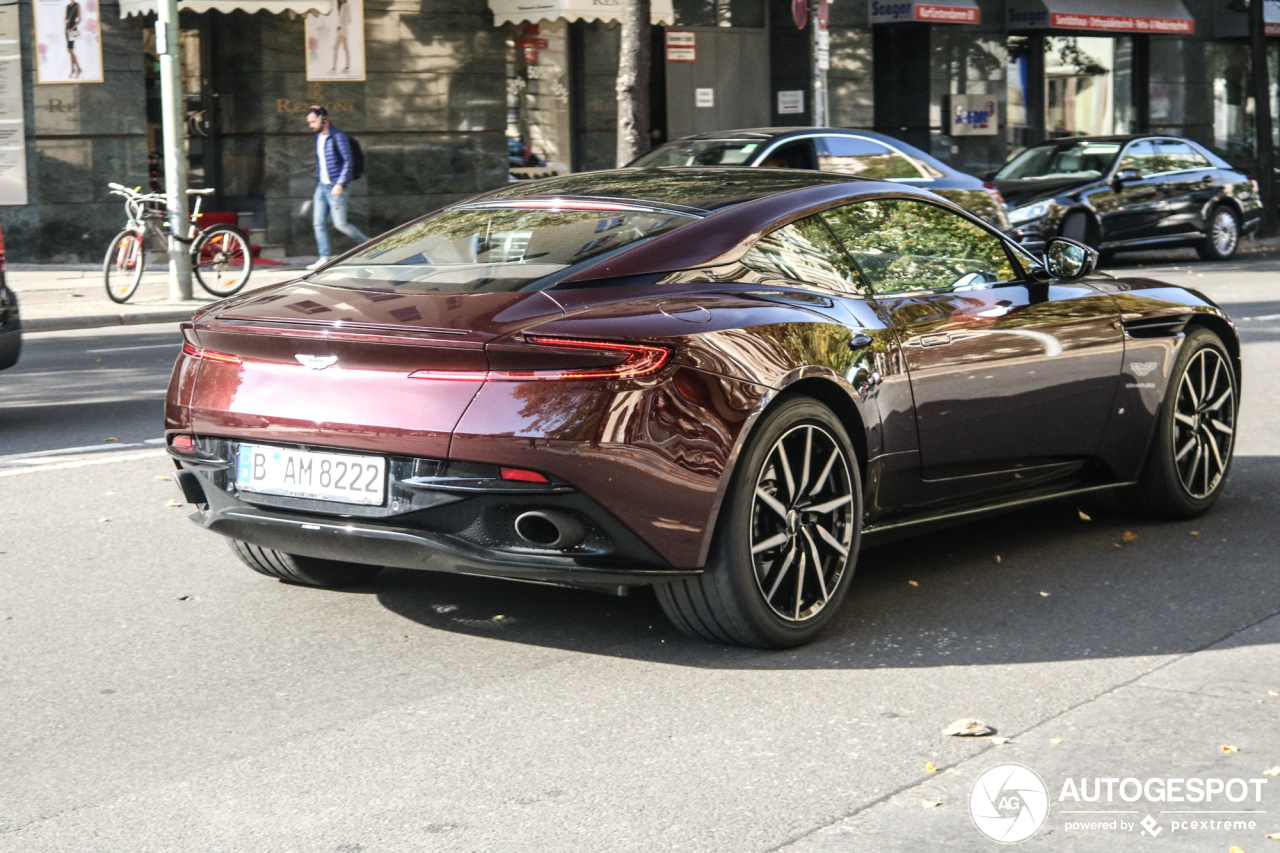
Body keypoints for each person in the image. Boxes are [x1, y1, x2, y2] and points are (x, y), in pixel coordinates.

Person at [306, 105, 367, 268]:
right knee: (318, 223)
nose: (311, 125)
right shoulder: (318, 137)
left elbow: (348, 161)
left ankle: (370, 246)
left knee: (340, 224)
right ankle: (324, 257)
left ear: (322, 119)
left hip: (336, 187)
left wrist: (340, 183)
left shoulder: (338, 137)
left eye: (313, 122)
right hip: (322, 186)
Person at [331, 0, 351, 73]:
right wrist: (343, 26)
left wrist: (340, 26)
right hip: (345, 29)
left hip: (341, 29)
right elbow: (349, 20)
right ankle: (347, 66)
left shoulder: (343, 6)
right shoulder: (347, 6)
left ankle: (334, 67)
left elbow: (343, 19)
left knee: (335, 47)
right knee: (345, 47)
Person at [64, 0, 82, 79]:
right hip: (67, 28)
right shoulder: (67, 6)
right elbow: (66, 18)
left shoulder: (77, 5)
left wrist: (72, 28)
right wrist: (66, 21)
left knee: (70, 50)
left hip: (73, 29)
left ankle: (76, 68)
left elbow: (79, 19)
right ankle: (75, 69)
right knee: (69, 50)